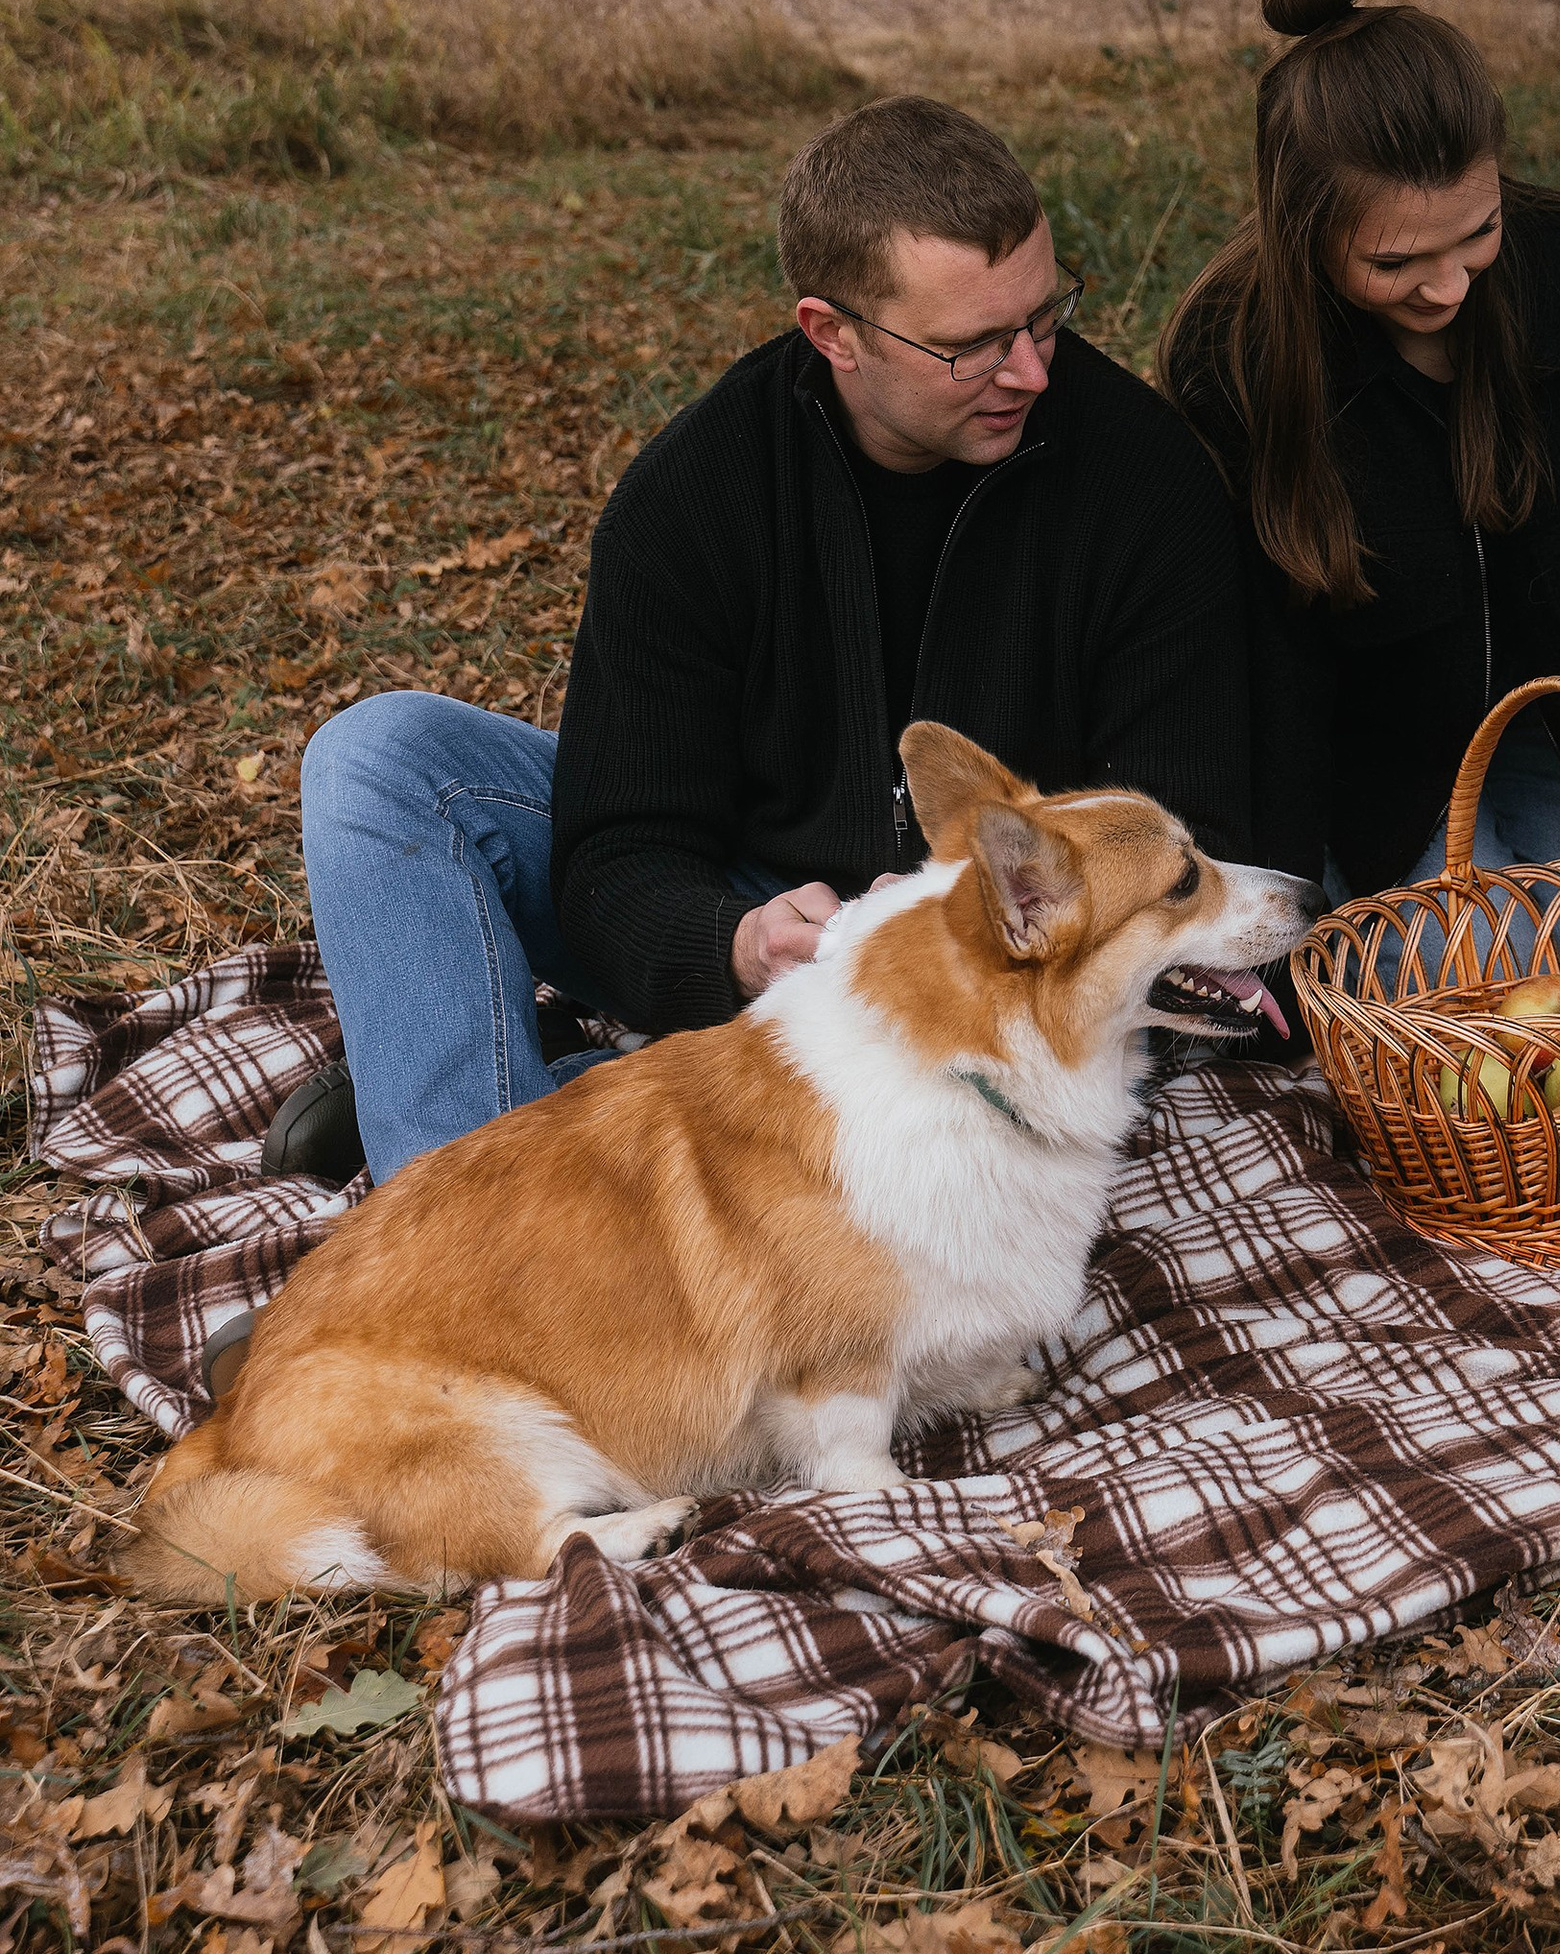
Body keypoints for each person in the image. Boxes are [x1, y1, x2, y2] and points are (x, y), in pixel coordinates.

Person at [280, 96, 1257, 1186]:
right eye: (970, 347)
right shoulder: (695, 494)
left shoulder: (1145, 483)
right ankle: (461, 1194)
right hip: (768, 906)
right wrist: (735, 942)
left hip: (1010, 951)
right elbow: (617, 851)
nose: (1030, 370)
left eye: (1044, 317)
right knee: (380, 759)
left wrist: (965, 940)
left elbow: (1199, 830)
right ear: (832, 333)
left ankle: (516, 1100)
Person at [1156, 0, 1560, 922]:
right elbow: (1255, 658)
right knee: (1455, 968)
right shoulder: (1232, 360)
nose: (1447, 288)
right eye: (1393, 263)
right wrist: (1290, 890)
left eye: (1478, 233)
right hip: (1364, 769)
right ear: (1302, 228)